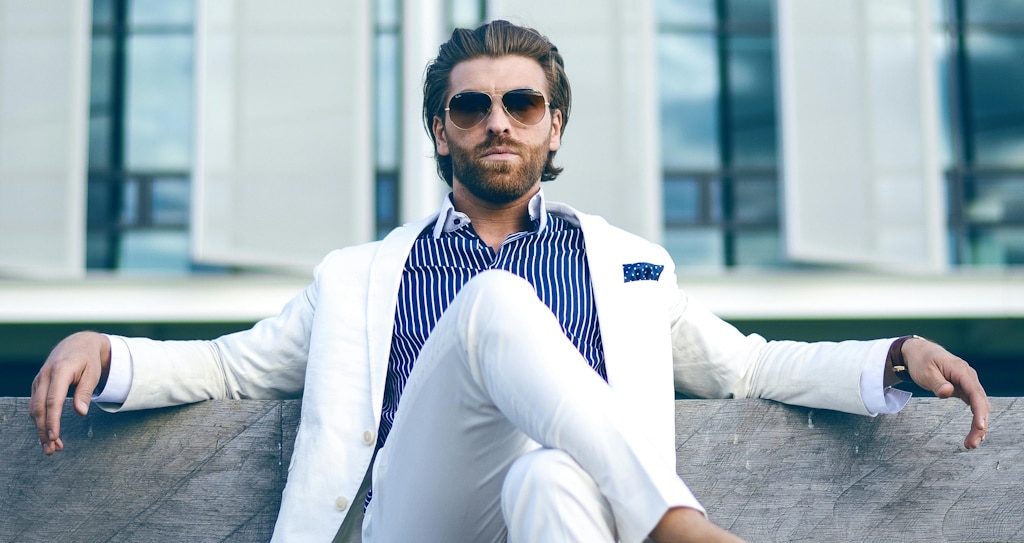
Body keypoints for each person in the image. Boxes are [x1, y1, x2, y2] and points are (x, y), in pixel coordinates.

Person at [31, 20, 989, 543]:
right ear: (442, 129)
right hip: (419, 522)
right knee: (491, 300)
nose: (499, 119)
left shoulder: (628, 264)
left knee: (549, 475)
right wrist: (104, 351)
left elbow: (746, 367)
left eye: (522, 103)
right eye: (473, 106)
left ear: (554, 126)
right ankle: (679, 527)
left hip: (569, 516)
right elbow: (233, 369)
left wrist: (893, 358)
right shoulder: (362, 276)